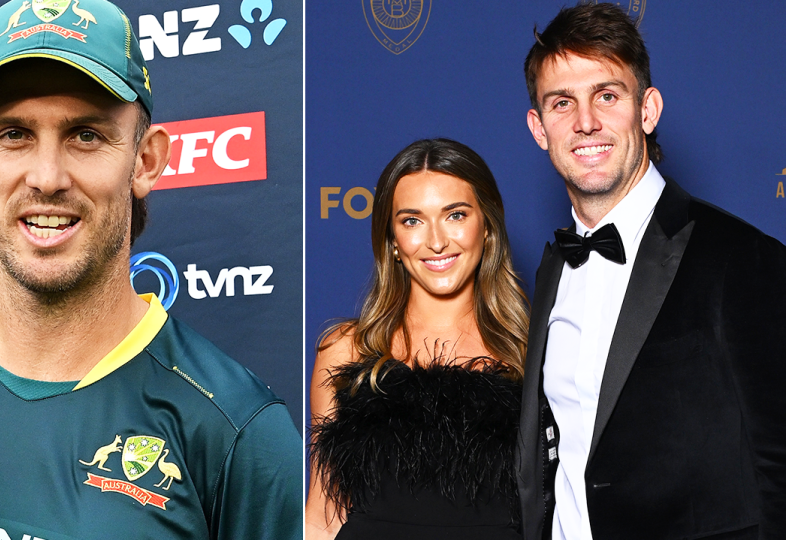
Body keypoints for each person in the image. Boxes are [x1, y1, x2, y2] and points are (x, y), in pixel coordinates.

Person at [0, 1, 302, 538]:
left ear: (145, 160)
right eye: (13, 134)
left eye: (87, 135)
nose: (47, 177)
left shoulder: (238, 432)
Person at [518, 3, 786, 540]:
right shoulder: (550, 272)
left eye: (607, 96)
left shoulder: (742, 258)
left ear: (647, 109)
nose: (585, 121)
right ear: (539, 128)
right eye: (561, 103)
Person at [305, 138, 530, 540]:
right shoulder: (345, 350)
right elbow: (322, 515)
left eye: (455, 215)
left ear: (487, 226)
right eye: (412, 221)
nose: (437, 241)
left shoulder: (532, 352)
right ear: (392, 240)